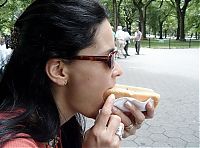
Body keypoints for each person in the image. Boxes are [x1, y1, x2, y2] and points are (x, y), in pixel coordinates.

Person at [0, 0, 154, 147]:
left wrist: (109, 134)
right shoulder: (15, 144)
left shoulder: (58, 125)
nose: (119, 71)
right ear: (59, 71)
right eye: (110, 58)